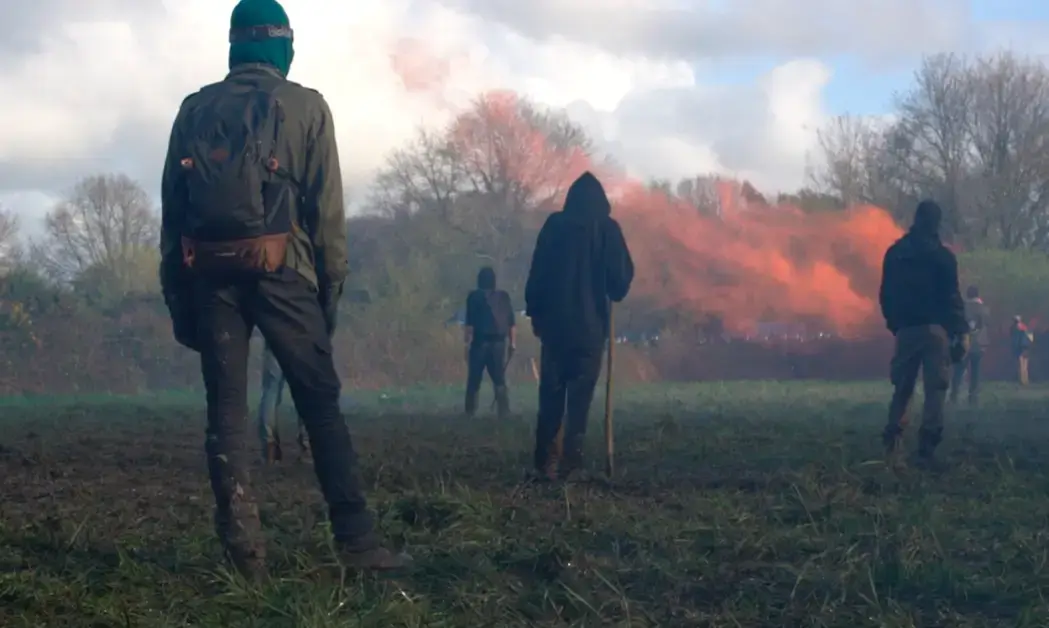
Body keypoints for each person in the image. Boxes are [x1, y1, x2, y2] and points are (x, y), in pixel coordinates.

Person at [159, 0, 409, 580]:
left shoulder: (194, 109)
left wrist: (179, 299)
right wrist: (327, 300)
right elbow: (328, 218)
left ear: (234, 45)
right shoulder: (307, 108)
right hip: (286, 273)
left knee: (225, 413)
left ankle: (244, 554)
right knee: (319, 405)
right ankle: (357, 541)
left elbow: (172, 216)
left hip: (211, 277)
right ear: (283, 46)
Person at [524, 171, 634, 481]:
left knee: (551, 395)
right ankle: (572, 462)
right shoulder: (607, 229)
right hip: (590, 329)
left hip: (555, 328)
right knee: (580, 399)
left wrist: (536, 313)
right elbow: (620, 283)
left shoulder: (554, 226)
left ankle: (546, 460)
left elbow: (538, 272)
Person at [879, 200, 969, 467]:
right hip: (936, 331)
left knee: (902, 388)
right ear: (936, 223)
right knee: (935, 390)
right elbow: (952, 299)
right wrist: (960, 331)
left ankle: (894, 444)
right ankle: (926, 450)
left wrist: (895, 325)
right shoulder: (943, 257)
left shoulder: (895, 254)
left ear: (915, 218)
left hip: (906, 329)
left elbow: (886, 295)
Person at [463, 266, 516, 418]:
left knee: (474, 379)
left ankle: (470, 412)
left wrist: (466, 345)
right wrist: (513, 344)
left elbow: (469, 325)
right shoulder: (503, 297)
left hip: (479, 343)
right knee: (499, 379)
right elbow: (511, 323)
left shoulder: (473, 297)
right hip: (498, 344)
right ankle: (504, 411)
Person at [257, 341, 310, 463]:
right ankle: (308, 446)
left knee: (271, 392)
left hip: (275, 339)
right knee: (306, 393)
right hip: (303, 340)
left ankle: (270, 448)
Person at [949, 285, 989, 405]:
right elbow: (987, 324)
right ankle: (973, 395)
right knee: (976, 371)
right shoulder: (984, 309)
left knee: (958, 370)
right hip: (979, 343)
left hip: (963, 341)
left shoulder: (962, 308)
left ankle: (954, 394)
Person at [1010, 315, 1034, 385]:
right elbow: (1031, 338)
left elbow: (1015, 340)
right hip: (1026, 347)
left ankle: (1022, 380)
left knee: (1021, 365)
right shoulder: (1026, 328)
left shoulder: (1015, 329)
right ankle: (1026, 380)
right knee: (1025, 365)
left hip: (1020, 348)